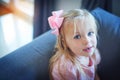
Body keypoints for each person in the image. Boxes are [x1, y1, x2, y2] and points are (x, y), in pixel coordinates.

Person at [48, 9, 101, 80]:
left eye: (90, 33)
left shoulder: (93, 53)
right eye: (77, 36)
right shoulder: (66, 68)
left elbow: (94, 75)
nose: (87, 41)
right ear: (64, 42)